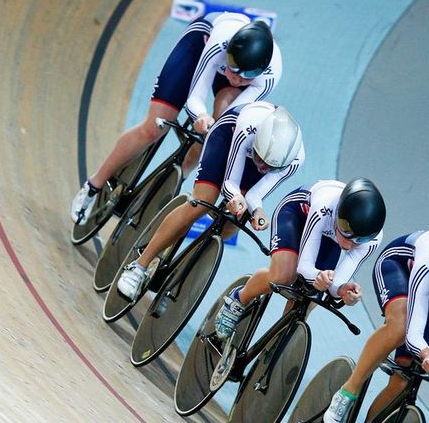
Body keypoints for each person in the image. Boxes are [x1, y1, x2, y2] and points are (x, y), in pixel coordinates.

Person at [71, 12, 283, 225]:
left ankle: (180, 173)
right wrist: (200, 115)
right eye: (233, 70)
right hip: (198, 49)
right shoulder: (220, 40)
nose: (236, 79)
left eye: (245, 77)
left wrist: (214, 127)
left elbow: (234, 118)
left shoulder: (268, 76)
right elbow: (196, 98)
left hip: (231, 81)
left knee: (220, 128)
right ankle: (93, 186)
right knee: (153, 127)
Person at [116, 101, 303, 301]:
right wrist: (235, 196)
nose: (263, 169)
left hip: (260, 155)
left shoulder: (294, 160)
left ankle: (184, 270)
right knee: (202, 202)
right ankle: (139, 266)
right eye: (260, 160)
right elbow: (230, 182)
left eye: (270, 168)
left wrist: (258, 211)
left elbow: (255, 195)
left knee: (236, 219)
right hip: (227, 138)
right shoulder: (248, 128)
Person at [323, 227, 429, 423]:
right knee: (400, 327)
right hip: (398, 267)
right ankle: (348, 391)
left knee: (407, 377)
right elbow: (413, 336)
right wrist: (426, 352)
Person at [214, 178, 387, 340]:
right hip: (296, 215)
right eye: (347, 234)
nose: (349, 246)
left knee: (311, 298)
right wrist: (319, 278)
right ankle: (239, 299)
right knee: (283, 275)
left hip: (329, 237)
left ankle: (275, 344)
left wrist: (342, 290)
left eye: (359, 241)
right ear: (339, 217)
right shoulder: (324, 205)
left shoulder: (372, 238)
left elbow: (336, 285)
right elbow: (304, 267)